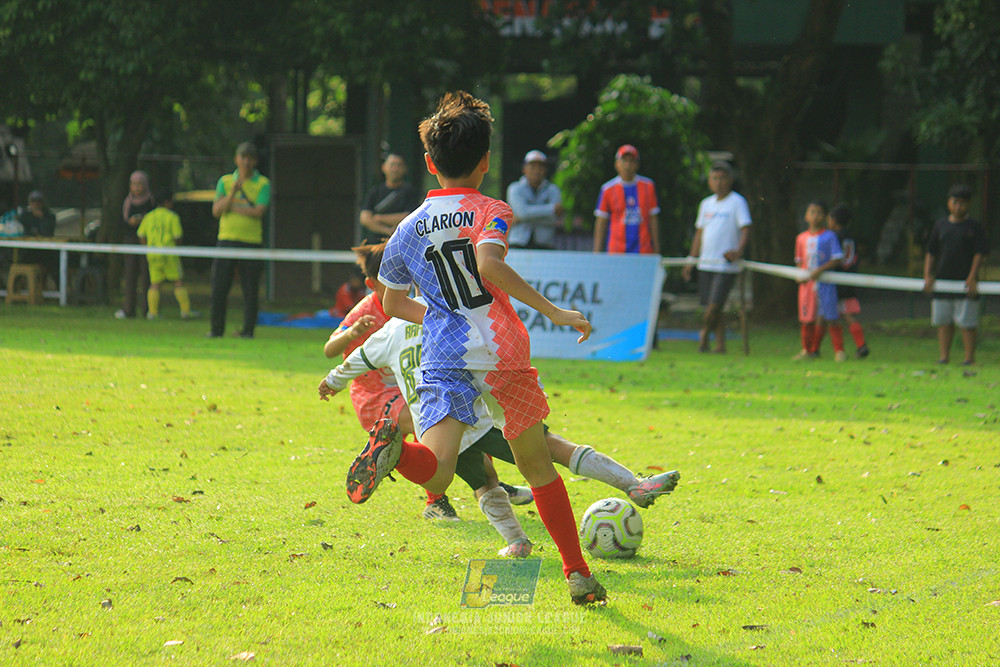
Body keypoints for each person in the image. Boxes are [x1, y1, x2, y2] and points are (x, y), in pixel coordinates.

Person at [351, 90, 606, 605]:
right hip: (500, 347)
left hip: (444, 354)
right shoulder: (490, 209)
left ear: (428, 163)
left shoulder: (405, 229)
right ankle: (576, 574)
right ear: (486, 162)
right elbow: (488, 266)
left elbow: (395, 302)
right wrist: (554, 310)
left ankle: (396, 451)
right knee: (535, 466)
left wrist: (441, 318)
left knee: (440, 468)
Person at [319, 314, 680, 556]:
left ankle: (517, 542)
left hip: (434, 429)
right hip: (478, 414)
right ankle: (634, 485)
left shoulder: (391, 330)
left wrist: (330, 382)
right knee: (552, 449)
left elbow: (357, 360)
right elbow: (490, 353)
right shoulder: (449, 318)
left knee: (484, 483)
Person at [325, 243, 532, 520]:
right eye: (390, 280)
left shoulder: (411, 304)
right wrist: (351, 334)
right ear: (372, 284)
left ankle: (487, 483)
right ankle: (437, 501)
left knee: (463, 419)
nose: (399, 284)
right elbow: (329, 350)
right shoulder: (366, 311)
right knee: (430, 421)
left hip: (408, 384)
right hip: (373, 391)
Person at [682, 161, 752, 353]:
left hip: (726, 264)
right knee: (713, 307)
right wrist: (691, 260)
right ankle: (720, 345)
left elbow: (745, 229)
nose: (719, 182)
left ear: (730, 180)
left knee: (714, 305)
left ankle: (703, 334)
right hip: (706, 262)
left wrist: (738, 250)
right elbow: (699, 234)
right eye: (715, 178)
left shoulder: (737, 202)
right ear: (710, 181)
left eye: (722, 178)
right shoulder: (706, 204)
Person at [208, 142, 271, 339]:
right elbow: (216, 211)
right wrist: (233, 194)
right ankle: (216, 330)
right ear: (236, 159)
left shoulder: (263, 184)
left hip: (251, 241)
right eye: (242, 157)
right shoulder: (225, 182)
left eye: (250, 158)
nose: (246, 162)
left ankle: (248, 331)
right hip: (226, 240)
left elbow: (258, 212)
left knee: (250, 288)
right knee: (219, 286)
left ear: (254, 161)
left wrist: (231, 207)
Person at [923, 184, 990, 365]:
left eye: (962, 203)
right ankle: (944, 357)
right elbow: (931, 251)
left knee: (967, 324)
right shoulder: (940, 225)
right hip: (942, 281)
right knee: (943, 322)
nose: (958, 206)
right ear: (948, 203)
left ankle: (969, 359)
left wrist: (972, 276)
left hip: (965, 283)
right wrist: (928, 274)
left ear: (968, 204)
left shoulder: (974, 227)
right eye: (955, 202)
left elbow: (979, 252)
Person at [793, 200, 845, 361]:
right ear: (806, 216)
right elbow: (799, 261)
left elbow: (836, 258)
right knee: (807, 318)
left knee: (831, 316)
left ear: (825, 216)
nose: (815, 216)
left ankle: (839, 350)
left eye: (819, 213)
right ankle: (807, 350)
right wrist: (800, 275)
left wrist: (819, 271)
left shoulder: (829, 237)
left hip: (825, 284)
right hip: (807, 285)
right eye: (812, 212)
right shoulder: (801, 238)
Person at [136, 189, 198, 320]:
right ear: (167, 202)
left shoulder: (148, 217)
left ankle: (152, 313)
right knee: (178, 282)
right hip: (169, 253)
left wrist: (146, 248)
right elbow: (177, 236)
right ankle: (185, 311)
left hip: (152, 253)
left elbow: (141, 235)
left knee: (155, 283)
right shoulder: (172, 217)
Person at [593, 144, 660, 254]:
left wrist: (657, 250)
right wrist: (596, 253)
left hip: (643, 251)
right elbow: (601, 222)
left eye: (632, 161)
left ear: (637, 164)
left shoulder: (648, 186)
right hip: (616, 251)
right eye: (624, 161)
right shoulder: (608, 189)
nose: (628, 165)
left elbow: (653, 219)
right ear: (616, 164)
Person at [827, 204, 869, 358]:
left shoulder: (834, 237)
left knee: (836, 316)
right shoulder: (851, 237)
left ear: (833, 221)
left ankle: (843, 349)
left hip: (837, 280)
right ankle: (859, 345)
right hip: (850, 277)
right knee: (847, 314)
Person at [115, 171, 154, 319]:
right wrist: (130, 223)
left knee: (147, 275)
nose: (136, 187)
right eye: (134, 184)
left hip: (147, 241)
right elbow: (122, 223)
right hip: (131, 241)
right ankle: (128, 309)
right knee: (130, 274)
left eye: (139, 184)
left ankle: (148, 309)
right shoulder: (127, 202)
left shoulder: (151, 200)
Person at [506, 150, 563, 250]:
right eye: (532, 167)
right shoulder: (514, 188)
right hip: (518, 243)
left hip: (545, 245)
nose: (536, 171)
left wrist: (522, 218)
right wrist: (552, 209)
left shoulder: (553, 190)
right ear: (524, 169)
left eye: (540, 167)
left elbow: (554, 219)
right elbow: (523, 212)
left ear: (545, 170)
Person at [359, 154, 423, 239]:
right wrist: (387, 230)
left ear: (405, 169)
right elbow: (365, 218)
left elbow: (409, 217)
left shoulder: (410, 192)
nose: (395, 169)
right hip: (375, 245)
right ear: (384, 167)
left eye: (399, 165)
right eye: (392, 165)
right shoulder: (375, 191)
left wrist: (380, 218)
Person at [16, 190, 59, 284]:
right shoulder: (25, 215)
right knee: (18, 263)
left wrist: (41, 217)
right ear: (29, 203)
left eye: (38, 201)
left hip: (46, 251)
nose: (36, 204)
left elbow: (47, 233)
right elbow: (22, 231)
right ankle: (17, 289)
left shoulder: (49, 216)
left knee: (55, 263)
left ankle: (59, 291)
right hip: (29, 250)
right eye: (33, 201)